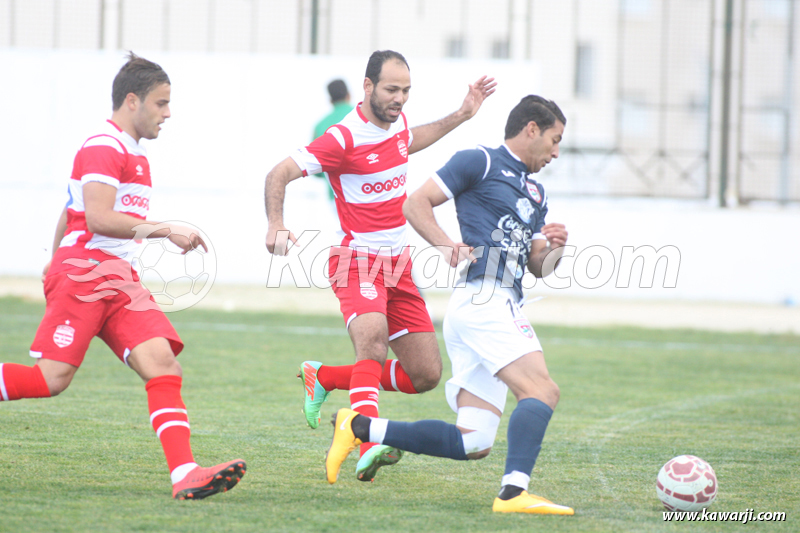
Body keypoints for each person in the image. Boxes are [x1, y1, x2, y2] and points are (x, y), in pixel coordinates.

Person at [0, 52, 245, 500]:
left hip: (116, 277)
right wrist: (165, 230)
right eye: (161, 103)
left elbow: (71, 207)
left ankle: (185, 474)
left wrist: (52, 257)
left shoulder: (133, 151)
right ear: (132, 101)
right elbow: (96, 217)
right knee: (50, 380)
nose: (168, 113)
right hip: (87, 273)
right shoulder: (104, 145)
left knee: (163, 363)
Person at [325, 95, 575, 515]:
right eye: (554, 140)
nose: (555, 152)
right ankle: (513, 494)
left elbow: (538, 266)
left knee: (474, 441)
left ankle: (360, 426)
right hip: (484, 300)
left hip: (493, 304)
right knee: (542, 390)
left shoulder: (536, 192)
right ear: (532, 129)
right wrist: (445, 245)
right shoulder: (479, 160)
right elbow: (415, 202)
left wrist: (555, 249)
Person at [265, 50, 495, 482]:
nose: (399, 98)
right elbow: (278, 173)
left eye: (406, 91)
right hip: (356, 259)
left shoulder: (397, 125)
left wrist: (462, 114)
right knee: (372, 342)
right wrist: (276, 223)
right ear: (367, 86)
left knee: (424, 375)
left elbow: (413, 138)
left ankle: (324, 376)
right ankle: (368, 441)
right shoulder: (342, 137)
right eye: (391, 89)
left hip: (398, 265)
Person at [313, 79, 355, 201]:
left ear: (330, 100)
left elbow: (316, 168)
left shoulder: (320, 126)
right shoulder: (363, 115)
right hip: (369, 192)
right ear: (349, 95)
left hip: (336, 197)